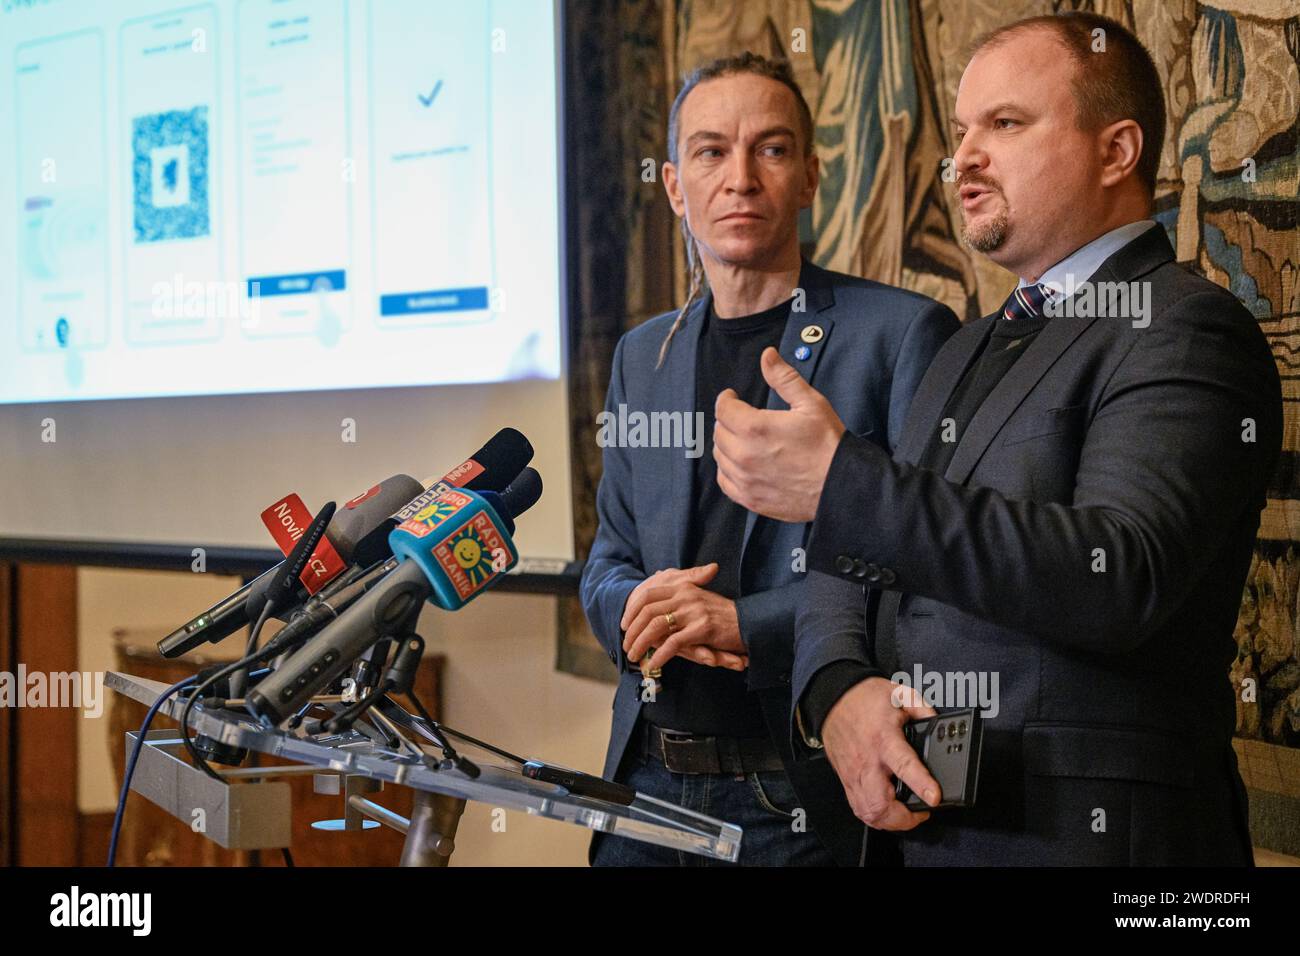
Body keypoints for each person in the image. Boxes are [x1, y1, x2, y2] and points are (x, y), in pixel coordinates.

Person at [712, 13, 1281, 865]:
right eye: (964, 128)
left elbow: (1117, 572)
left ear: (1117, 150)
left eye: (1005, 124)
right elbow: (852, 560)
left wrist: (843, 485)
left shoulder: (1185, 327)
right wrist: (837, 688)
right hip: (919, 832)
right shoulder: (966, 343)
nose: (963, 157)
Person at [580, 52, 959, 865]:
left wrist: (745, 624)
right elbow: (606, 559)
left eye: (772, 149)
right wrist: (635, 604)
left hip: (796, 788)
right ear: (677, 185)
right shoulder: (641, 356)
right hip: (645, 781)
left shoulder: (900, 335)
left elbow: (925, 568)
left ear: (811, 177)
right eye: (712, 152)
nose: (741, 178)